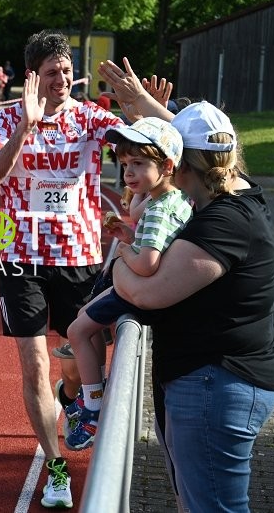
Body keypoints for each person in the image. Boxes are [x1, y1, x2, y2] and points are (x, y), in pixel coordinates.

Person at [102, 58, 274, 512]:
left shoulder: (222, 223)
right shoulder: (238, 192)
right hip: (213, 381)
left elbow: (144, 292)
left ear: (183, 164)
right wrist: (144, 107)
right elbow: (198, 143)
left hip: (214, 385)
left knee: (212, 508)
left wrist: (120, 253)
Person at [0, 30, 124, 509]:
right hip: (21, 259)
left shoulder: (88, 118)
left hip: (79, 259)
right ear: (32, 78)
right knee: (34, 361)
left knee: (84, 353)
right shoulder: (5, 118)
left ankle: (75, 398)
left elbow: (149, 142)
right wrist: (26, 125)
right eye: (51, 73)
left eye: (66, 70)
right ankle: (55, 465)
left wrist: (141, 102)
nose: (62, 78)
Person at [64, 117, 192, 451]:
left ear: (166, 165)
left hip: (140, 290)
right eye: (124, 165)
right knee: (83, 317)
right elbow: (150, 240)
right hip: (147, 286)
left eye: (137, 164)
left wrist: (123, 249)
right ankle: (94, 388)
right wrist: (131, 235)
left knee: (77, 331)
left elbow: (148, 263)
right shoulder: (171, 198)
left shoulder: (159, 209)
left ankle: (92, 407)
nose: (128, 174)